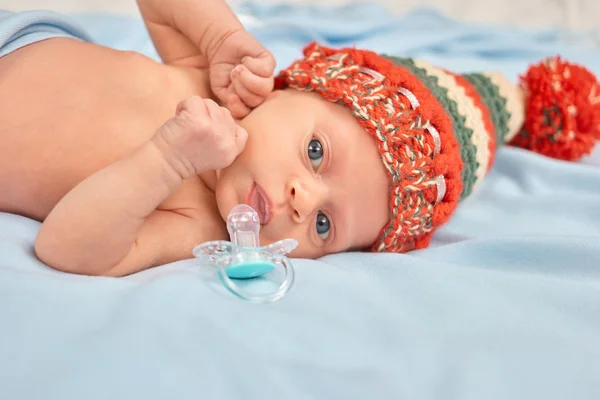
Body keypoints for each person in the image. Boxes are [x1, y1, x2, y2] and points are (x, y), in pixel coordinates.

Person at [0, 1, 598, 277]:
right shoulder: (224, 91)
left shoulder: (200, 221)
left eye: (323, 227)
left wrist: (165, 157)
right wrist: (219, 37)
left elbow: (70, 249)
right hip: (26, 35)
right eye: (316, 154)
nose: (302, 201)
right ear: (288, 90)